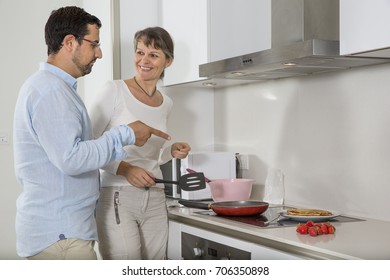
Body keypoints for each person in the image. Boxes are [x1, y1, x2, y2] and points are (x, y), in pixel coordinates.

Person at [13, 7, 170, 260]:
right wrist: (124, 134)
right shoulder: (50, 91)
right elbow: (71, 158)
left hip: (65, 232)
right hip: (60, 236)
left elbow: (79, 152)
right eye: (94, 44)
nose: (99, 53)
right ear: (69, 43)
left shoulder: (57, 89)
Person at [88, 26, 191, 260]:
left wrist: (171, 152)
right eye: (139, 52)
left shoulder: (167, 103)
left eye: (153, 55)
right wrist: (125, 169)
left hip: (155, 195)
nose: (143, 60)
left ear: (168, 62)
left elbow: (152, 156)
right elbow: (88, 145)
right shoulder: (114, 90)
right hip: (118, 194)